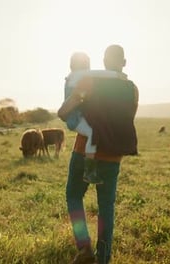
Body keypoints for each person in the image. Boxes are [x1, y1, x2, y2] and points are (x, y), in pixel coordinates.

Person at [58, 44, 139, 264]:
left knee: (74, 195)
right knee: (106, 210)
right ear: (123, 63)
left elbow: (65, 112)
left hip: (85, 151)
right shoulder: (132, 89)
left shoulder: (90, 82)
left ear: (103, 62)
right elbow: (124, 121)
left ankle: (84, 248)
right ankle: (104, 260)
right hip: (113, 156)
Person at [64, 52, 121, 184]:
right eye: (87, 66)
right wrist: (117, 75)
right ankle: (89, 171)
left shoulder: (73, 77)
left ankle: (91, 168)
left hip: (76, 116)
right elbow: (101, 74)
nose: (89, 69)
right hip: (75, 118)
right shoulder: (77, 76)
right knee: (93, 133)